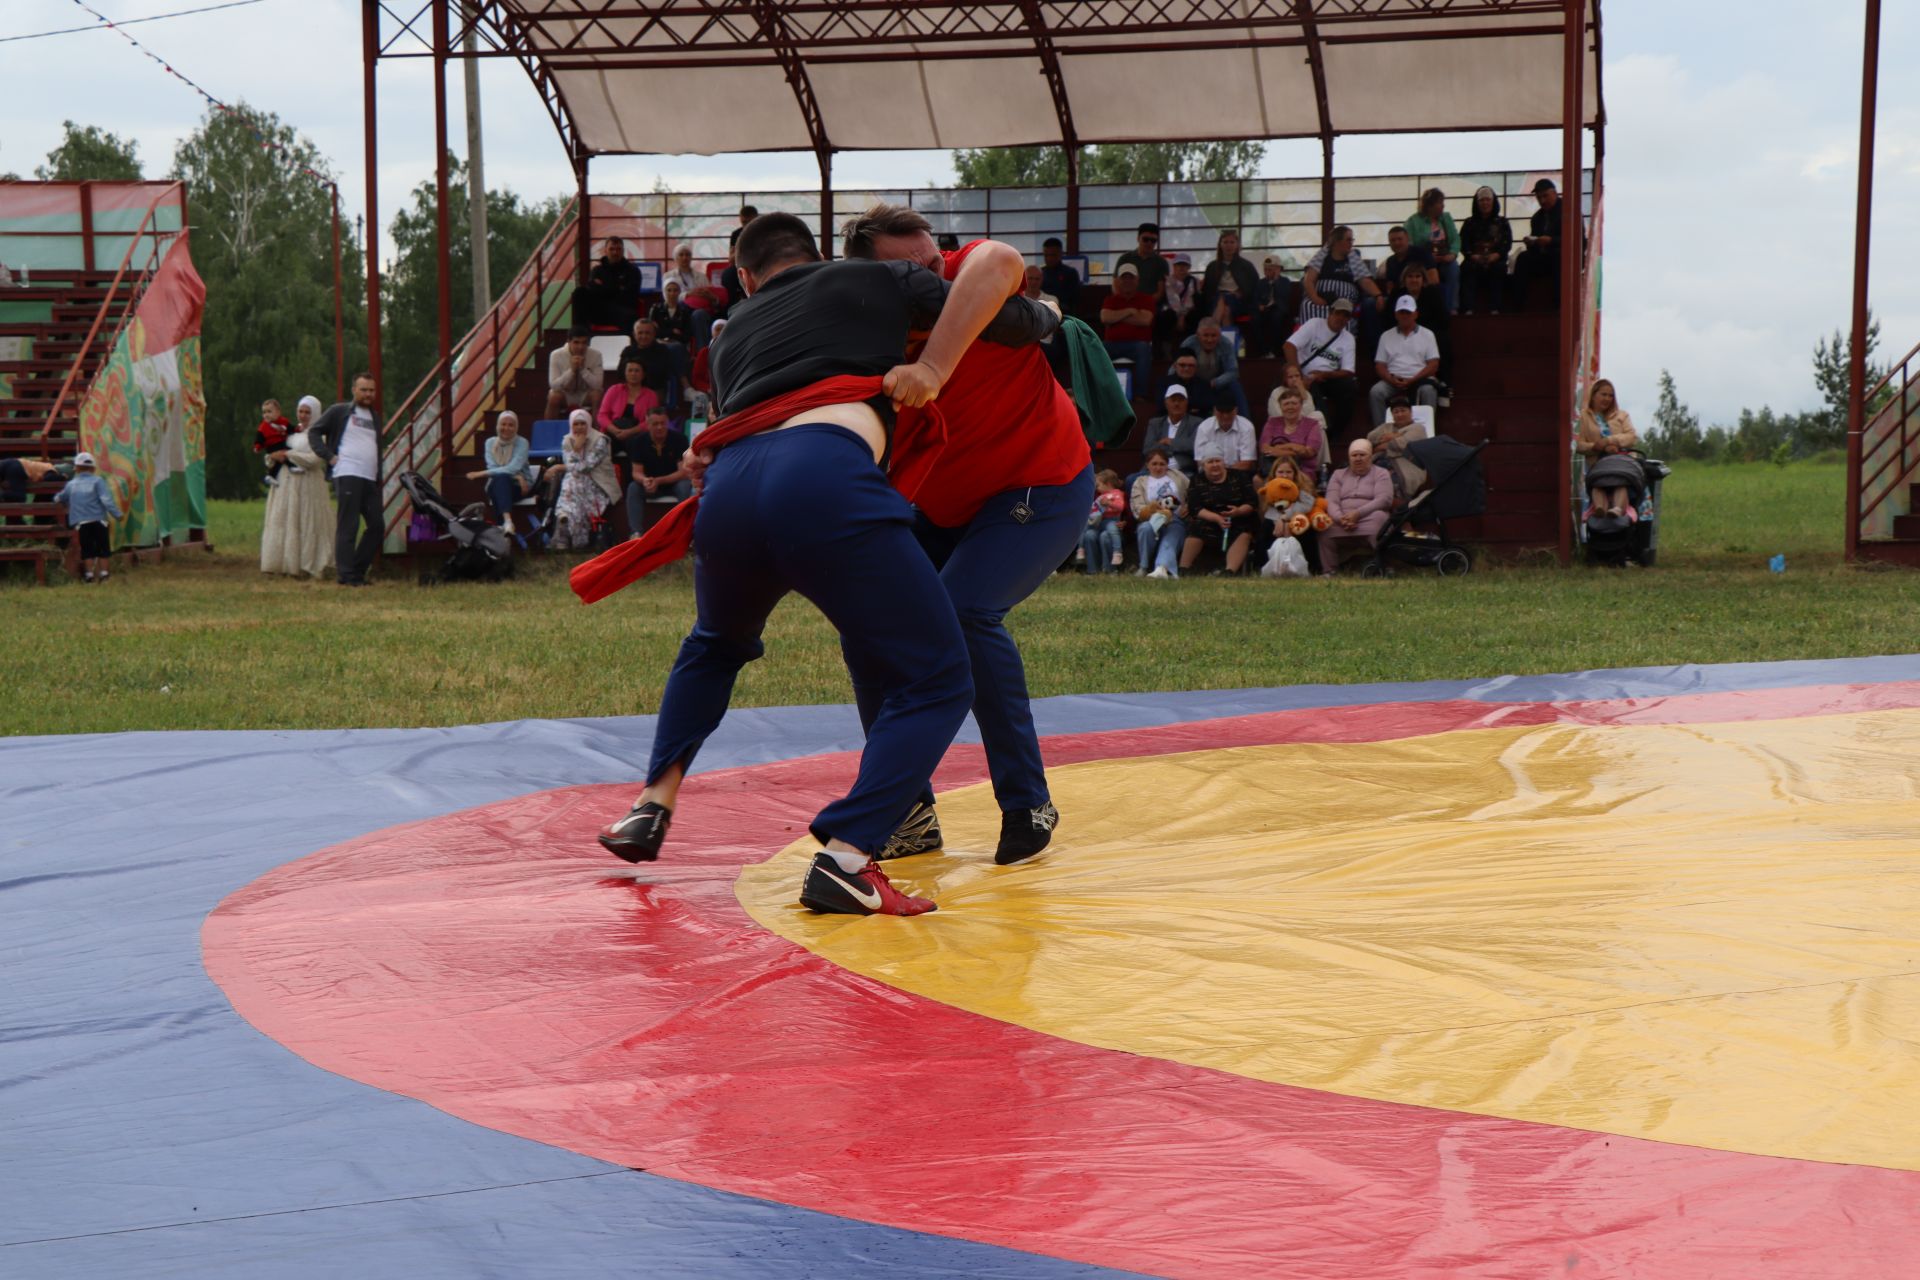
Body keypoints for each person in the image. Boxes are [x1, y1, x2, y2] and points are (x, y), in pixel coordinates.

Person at [593, 211, 1058, 917]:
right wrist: (1034, 318)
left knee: (714, 645)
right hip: (824, 478)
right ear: (817, 255)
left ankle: (652, 803)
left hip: (729, 497)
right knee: (939, 676)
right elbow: (997, 272)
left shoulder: (730, 337)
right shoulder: (874, 279)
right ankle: (847, 856)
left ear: (743, 279)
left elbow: (739, 428)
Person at [840, 203, 1095, 865]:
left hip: (1042, 483)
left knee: (965, 613)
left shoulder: (969, 278)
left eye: (935, 260)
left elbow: (1000, 262)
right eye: (914, 269)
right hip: (944, 505)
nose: (935, 275)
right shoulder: (865, 326)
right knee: (869, 622)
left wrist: (933, 368)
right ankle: (907, 810)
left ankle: (1027, 801)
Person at [309, 373, 386, 587]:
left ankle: (358, 571)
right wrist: (329, 457)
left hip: (369, 477)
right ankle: (346, 575)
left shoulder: (374, 417)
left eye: (371, 390)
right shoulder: (339, 411)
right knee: (348, 525)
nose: (368, 394)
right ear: (354, 390)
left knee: (377, 525)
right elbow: (314, 432)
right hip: (347, 472)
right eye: (364, 389)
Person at [259, 396, 334, 577]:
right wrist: (272, 457)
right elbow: (272, 452)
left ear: (315, 413)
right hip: (285, 483)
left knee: (307, 521)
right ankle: (282, 563)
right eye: (301, 411)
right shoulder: (288, 432)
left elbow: (316, 459)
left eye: (308, 412)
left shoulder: (319, 435)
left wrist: (290, 454)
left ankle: (307, 564)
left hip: (308, 485)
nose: (303, 415)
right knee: (284, 520)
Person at [1284, 298, 1358, 437]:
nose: (1341, 318)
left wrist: (1323, 375)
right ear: (1330, 312)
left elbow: (1348, 371)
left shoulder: (1348, 338)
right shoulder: (1314, 324)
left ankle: (1335, 434)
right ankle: (1323, 430)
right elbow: (1289, 346)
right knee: (1314, 391)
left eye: (1346, 315)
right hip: (1303, 374)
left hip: (1327, 377)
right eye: (1338, 313)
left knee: (1350, 387)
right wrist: (1298, 376)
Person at [546, 408, 618, 549]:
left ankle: (562, 532)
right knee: (573, 482)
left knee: (572, 482)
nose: (579, 427)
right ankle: (564, 525)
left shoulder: (600, 440)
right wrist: (576, 448)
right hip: (575, 486)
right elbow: (571, 466)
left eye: (582, 423)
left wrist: (577, 448)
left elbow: (586, 467)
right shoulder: (567, 440)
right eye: (576, 424)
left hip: (598, 484)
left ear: (589, 424)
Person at [1320, 438, 1394, 575]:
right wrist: (1340, 518)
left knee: (1379, 519)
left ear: (1370, 457)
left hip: (1369, 516)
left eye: (1362, 455)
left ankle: (1384, 566)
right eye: (1354, 455)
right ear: (1349, 458)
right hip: (1342, 518)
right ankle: (1329, 571)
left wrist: (1357, 514)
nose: (1358, 458)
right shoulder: (1338, 474)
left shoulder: (1381, 473)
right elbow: (1331, 500)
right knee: (1324, 526)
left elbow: (1384, 500)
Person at [1181, 452, 1258, 575]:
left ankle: (1229, 571)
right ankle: (1184, 569)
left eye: (1218, 461)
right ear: (1203, 465)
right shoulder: (1196, 480)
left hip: (1238, 516)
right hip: (1209, 518)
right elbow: (1194, 508)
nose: (1215, 465)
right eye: (1210, 462)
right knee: (1196, 527)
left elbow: (1252, 502)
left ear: (1224, 462)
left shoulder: (1239, 476)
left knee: (1245, 531)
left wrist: (1238, 511)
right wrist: (1217, 518)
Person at [54, 450, 122, 584]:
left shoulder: (71, 484)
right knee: (103, 548)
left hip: (81, 522)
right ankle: (104, 575)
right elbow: (106, 500)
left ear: (76, 468)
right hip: (99, 520)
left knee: (87, 549)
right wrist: (117, 514)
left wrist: (59, 500)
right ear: (93, 468)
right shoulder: (98, 481)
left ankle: (89, 575)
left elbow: (59, 497)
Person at [1370, 297, 1441, 424]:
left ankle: (1427, 434)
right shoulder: (1386, 336)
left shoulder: (1428, 334)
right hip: (1392, 380)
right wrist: (1390, 379)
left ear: (1415, 314)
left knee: (1429, 391)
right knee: (1376, 392)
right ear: (1396, 314)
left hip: (1419, 379)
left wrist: (1413, 379)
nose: (1405, 316)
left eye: (1408, 312)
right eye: (1401, 312)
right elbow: (1379, 365)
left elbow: (1433, 365)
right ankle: (1380, 433)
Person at [624, 405, 691, 537]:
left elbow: (683, 472)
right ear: (648, 424)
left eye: (663, 423)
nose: (660, 427)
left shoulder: (679, 439)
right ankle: (636, 533)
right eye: (655, 424)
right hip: (649, 485)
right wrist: (645, 480)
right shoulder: (638, 442)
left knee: (685, 485)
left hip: (673, 483)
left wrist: (659, 481)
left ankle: (684, 532)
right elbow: (636, 472)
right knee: (633, 488)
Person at [1300, 224, 1384, 326]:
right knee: (1307, 305)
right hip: (1321, 297)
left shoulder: (1353, 258)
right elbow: (1308, 280)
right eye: (1348, 240)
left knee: (1343, 308)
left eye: (1351, 240)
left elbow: (1365, 281)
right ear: (1337, 241)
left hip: (1344, 298)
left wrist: (1378, 295)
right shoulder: (1322, 257)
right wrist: (1315, 298)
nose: (1351, 243)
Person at [469, 409, 534, 532]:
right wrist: (517, 477)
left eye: (511, 425)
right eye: (503, 424)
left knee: (500, 482)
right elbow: (493, 468)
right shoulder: (490, 443)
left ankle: (503, 526)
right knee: (501, 479)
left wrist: (481, 473)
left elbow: (514, 467)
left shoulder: (522, 442)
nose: (507, 428)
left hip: (519, 487)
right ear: (498, 425)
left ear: (516, 427)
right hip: (509, 482)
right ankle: (507, 522)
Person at [1130, 447, 1189, 579]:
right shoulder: (1140, 482)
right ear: (1147, 465)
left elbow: (1193, 491)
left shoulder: (1177, 476)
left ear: (1167, 465)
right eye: (1154, 464)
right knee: (1145, 529)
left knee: (1171, 535)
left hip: (1175, 518)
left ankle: (1162, 568)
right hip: (1151, 519)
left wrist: (1188, 506)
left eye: (1162, 464)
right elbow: (1137, 509)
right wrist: (1152, 509)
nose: (1158, 467)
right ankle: (1143, 566)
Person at [1404, 187, 1461, 313]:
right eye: (1440, 202)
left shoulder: (1446, 218)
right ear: (1430, 205)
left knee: (1453, 268)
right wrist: (1427, 256)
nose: (1443, 205)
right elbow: (1410, 244)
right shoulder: (1413, 221)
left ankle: (1451, 307)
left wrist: (1452, 254)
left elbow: (1455, 239)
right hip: (1423, 262)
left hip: (1445, 259)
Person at [1179, 318, 1250, 417]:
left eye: (1213, 336)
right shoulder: (1189, 344)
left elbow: (1233, 371)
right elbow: (1177, 366)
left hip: (1217, 383)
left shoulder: (1226, 344)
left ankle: (1246, 422)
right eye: (1206, 335)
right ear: (1198, 335)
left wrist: (1216, 382)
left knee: (1235, 386)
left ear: (1219, 335)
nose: (1209, 340)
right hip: (1193, 382)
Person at [1460, 185, 1512, 315]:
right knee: (1466, 268)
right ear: (1476, 203)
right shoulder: (1469, 223)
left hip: (1496, 260)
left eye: (1488, 200)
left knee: (1499, 269)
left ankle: (1495, 308)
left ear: (1493, 201)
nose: (1485, 203)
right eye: (1481, 200)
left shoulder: (1502, 222)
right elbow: (1463, 244)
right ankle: (1468, 309)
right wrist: (1472, 256)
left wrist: (1497, 255)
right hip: (1474, 260)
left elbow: (1507, 244)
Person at [1515, 178, 1567, 308]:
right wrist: (1532, 243)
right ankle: (1518, 304)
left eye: (1545, 196)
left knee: (1558, 257)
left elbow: (1577, 240)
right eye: (1539, 197)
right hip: (1543, 257)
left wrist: (1551, 241)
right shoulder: (1537, 218)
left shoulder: (1568, 212)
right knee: (1523, 258)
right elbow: (1535, 243)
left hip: (1563, 257)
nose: (1542, 201)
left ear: (1555, 193)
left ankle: (1558, 305)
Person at [573, 235, 641, 331]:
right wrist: (617, 287)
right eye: (611, 249)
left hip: (621, 311)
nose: (615, 252)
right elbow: (592, 289)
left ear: (623, 251)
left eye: (618, 249)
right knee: (579, 292)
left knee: (630, 316)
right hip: (599, 310)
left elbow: (630, 296)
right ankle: (578, 333)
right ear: (605, 250)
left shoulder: (633, 271)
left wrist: (603, 287)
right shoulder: (597, 270)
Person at [1099, 262, 1155, 378]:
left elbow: (1145, 320)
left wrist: (1116, 317)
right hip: (1111, 344)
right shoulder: (1110, 300)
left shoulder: (1147, 299)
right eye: (1124, 278)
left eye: (1131, 278)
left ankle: (1141, 395)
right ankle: (1100, 393)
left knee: (1143, 350)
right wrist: (1130, 311)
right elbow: (1105, 318)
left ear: (1137, 280)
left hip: (1138, 344)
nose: (1127, 281)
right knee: (1097, 349)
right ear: (1118, 281)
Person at [1260, 386, 1325, 485]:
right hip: (1274, 469)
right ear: (1280, 407)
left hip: (1302, 470)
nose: (1290, 407)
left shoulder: (1312, 424)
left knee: (1302, 480)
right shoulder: (1272, 422)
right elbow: (1265, 448)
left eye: (1294, 403)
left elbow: (1309, 452)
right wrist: (1295, 450)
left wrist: (1283, 447)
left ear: (1301, 405)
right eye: (1286, 404)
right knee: (1257, 480)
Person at [1199, 229, 1259, 330]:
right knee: (1225, 310)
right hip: (1216, 300)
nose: (1228, 245)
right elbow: (1207, 291)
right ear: (1220, 245)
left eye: (1232, 242)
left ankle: (1210, 332)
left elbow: (1255, 287)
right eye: (1225, 242)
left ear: (1237, 245)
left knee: (1225, 300)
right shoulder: (1213, 266)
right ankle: (1228, 342)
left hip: (1239, 301)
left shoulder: (1246, 266)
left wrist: (1241, 292)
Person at [616, 317, 679, 409]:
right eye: (640, 333)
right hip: (631, 389)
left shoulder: (662, 350)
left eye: (647, 333)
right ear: (634, 334)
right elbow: (621, 373)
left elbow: (662, 374)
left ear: (654, 334)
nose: (644, 336)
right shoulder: (628, 351)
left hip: (654, 390)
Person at [546, 325, 606, 420]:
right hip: (565, 394)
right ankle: (548, 432)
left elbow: (598, 385)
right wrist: (572, 371)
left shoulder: (596, 355)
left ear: (588, 343)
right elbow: (553, 385)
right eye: (576, 342)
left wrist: (582, 370)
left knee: (597, 395)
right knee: (553, 396)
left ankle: (597, 432)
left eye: (584, 343)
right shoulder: (556, 355)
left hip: (586, 394)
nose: (580, 347)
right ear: (569, 342)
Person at [1144, 383, 1203, 474]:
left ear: (1186, 402)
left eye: (1180, 400)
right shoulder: (1155, 423)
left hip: (1183, 471)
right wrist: (1178, 446)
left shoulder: (1196, 423)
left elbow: (1194, 446)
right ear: (1166, 402)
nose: (1176, 404)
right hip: (1154, 469)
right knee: (1131, 479)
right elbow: (1147, 449)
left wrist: (1169, 442)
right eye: (1173, 400)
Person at [1078, 468, 1127, 574]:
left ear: (1108, 483)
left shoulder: (1116, 494)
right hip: (1098, 524)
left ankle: (1109, 569)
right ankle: (1092, 570)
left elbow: (1121, 507)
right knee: (1089, 534)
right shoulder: (1098, 496)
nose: (1096, 488)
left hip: (1111, 524)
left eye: (1098, 485)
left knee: (1105, 536)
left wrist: (1109, 504)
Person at [1578, 378, 1639, 458]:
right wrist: (1598, 447)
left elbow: (1632, 437)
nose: (1607, 399)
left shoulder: (1622, 415)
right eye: (1604, 394)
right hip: (1598, 466)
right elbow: (1579, 445)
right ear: (1593, 396)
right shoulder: (1583, 416)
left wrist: (1608, 441)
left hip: (1625, 464)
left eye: (1611, 396)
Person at [1194, 400, 1257, 472]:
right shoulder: (1204, 427)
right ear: (1214, 411)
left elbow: (1247, 463)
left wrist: (1221, 472)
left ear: (1236, 410)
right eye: (1221, 412)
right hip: (1210, 475)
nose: (1225, 416)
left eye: (1228, 412)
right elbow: (1200, 462)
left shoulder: (1247, 427)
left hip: (1239, 475)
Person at [1375, 226, 1435, 301]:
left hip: (1423, 297)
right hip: (1399, 298)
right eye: (1393, 240)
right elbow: (1390, 287)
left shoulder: (1422, 254)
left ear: (1408, 239)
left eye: (1400, 239)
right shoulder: (1390, 261)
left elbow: (1434, 280)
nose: (1396, 243)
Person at [1114, 223, 1169, 304]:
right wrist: (1126, 302)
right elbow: (1116, 285)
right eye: (1145, 239)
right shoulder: (1125, 258)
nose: (1149, 243)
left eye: (1153, 240)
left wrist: (1143, 304)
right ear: (1138, 238)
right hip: (1125, 304)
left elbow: (1160, 292)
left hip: (1151, 306)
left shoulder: (1161, 262)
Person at [1252, 256, 1293, 357]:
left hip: (1279, 309)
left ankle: (1275, 349)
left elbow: (1284, 295)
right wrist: (1259, 305)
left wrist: (1275, 280)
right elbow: (1255, 297)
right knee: (1255, 319)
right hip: (1265, 309)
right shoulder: (1261, 282)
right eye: (1265, 269)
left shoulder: (1284, 281)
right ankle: (1264, 350)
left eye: (1270, 269)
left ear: (1278, 269)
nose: (1267, 272)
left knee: (1276, 317)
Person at [252, 397, 293, 487]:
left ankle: (271, 475)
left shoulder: (283, 421)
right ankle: (291, 466)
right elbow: (259, 438)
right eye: (264, 412)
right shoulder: (263, 427)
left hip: (282, 443)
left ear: (278, 412)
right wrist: (257, 447)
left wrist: (297, 430)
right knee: (283, 455)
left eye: (269, 412)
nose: (266, 415)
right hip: (271, 446)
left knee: (284, 455)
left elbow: (291, 430)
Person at [1160, 253, 1198, 346]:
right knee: (1165, 317)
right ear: (1174, 266)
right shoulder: (1169, 280)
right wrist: (1180, 316)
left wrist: (1183, 316)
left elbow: (1189, 298)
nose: (1181, 268)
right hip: (1172, 310)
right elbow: (1172, 299)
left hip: (1188, 311)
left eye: (1184, 265)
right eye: (1178, 265)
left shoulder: (1193, 280)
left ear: (1189, 267)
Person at [1039, 236, 1080, 310]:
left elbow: (1073, 299)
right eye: (1046, 255)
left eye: (1053, 255)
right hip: (1041, 310)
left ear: (1061, 254)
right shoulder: (1040, 273)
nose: (1049, 259)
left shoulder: (1070, 273)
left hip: (1063, 311)